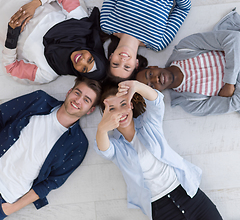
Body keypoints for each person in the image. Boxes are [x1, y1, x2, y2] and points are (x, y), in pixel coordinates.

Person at [0, 76, 101, 219]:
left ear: (90, 110)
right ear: (69, 91)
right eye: (77, 93)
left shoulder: (78, 144)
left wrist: (11, 209)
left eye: (86, 100)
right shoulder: (40, 100)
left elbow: (51, 183)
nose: (78, 100)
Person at [94, 80, 222, 219]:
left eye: (123, 104)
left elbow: (156, 102)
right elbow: (104, 150)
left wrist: (136, 86)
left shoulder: (148, 124)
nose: (119, 112)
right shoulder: (116, 146)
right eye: (112, 109)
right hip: (160, 208)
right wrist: (102, 128)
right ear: (105, 115)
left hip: (187, 194)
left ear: (130, 105)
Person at [136, 9, 240, 123]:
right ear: (157, 93)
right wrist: (234, 58)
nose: (156, 79)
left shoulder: (185, 48)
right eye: (151, 86)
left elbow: (232, 37)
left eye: (150, 75)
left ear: (152, 67)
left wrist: (230, 83)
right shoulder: (190, 103)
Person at [0, 0, 107, 83]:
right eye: (90, 59)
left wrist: (12, 36)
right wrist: (34, 4)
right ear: (93, 51)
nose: (82, 60)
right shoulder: (80, 24)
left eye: (84, 68)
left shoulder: (47, 73)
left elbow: (11, 68)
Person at [100, 0, 191, 81]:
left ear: (111, 57)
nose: (123, 60)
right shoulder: (158, 43)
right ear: (136, 64)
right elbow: (184, 8)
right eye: (127, 67)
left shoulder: (107, 24)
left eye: (115, 64)